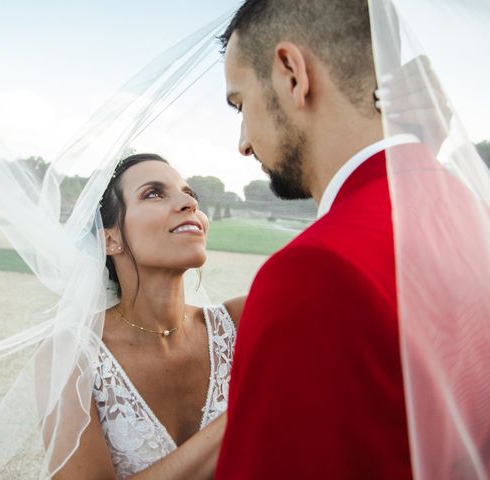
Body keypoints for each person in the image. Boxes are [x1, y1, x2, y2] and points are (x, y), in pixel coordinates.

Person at [215, 0, 490, 478]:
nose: (242, 141)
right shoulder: (470, 212)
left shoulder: (312, 274)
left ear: (291, 73)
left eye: (240, 104)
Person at [52, 153, 244, 479]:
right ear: (110, 239)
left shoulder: (242, 320)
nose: (188, 203)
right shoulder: (74, 354)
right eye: (153, 193)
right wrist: (244, 412)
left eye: (190, 194)